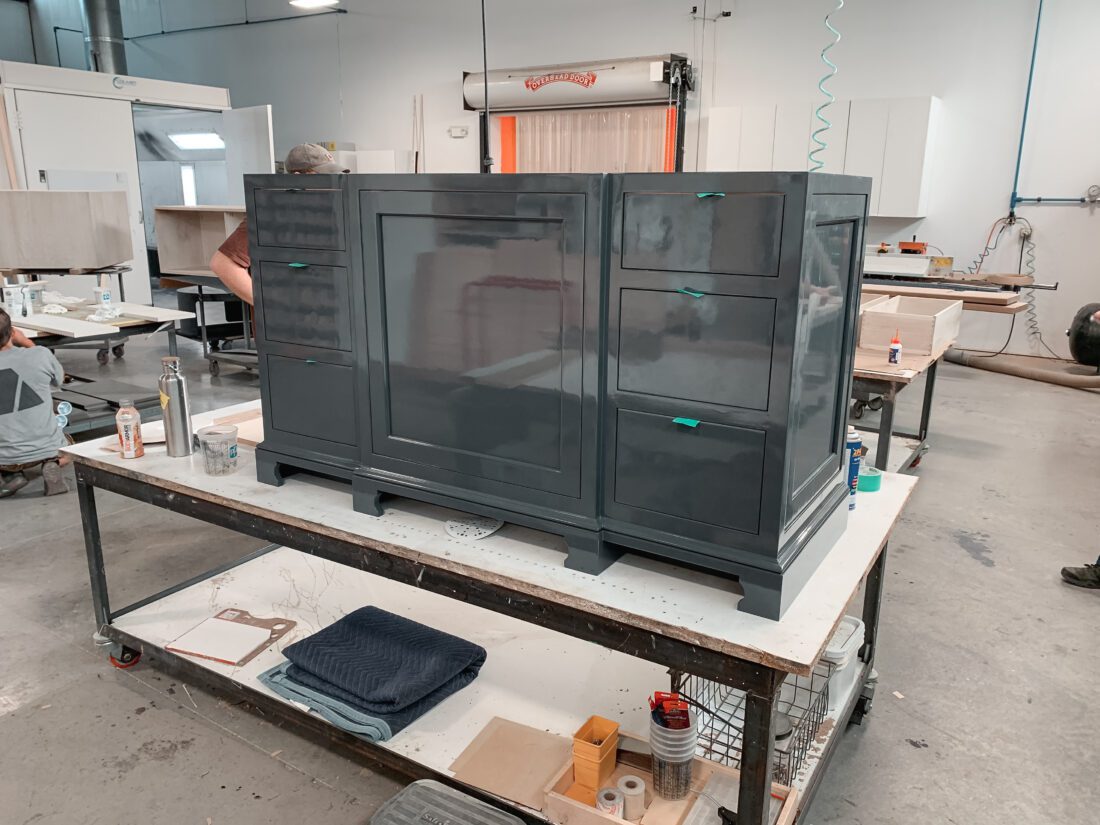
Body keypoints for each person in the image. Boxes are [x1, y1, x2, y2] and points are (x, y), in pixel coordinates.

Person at [209, 143, 350, 305]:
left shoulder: (326, 210)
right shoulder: (269, 213)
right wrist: (269, 306)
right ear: (298, 177)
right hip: (286, 323)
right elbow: (222, 264)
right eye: (324, 176)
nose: (332, 182)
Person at [0, 308, 69, 497]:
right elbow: (60, 379)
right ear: (12, 332)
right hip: (48, 447)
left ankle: (9, 476)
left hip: (4, 457)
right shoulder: (40, 354)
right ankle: (51, 463)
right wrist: (27, 343)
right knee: (69, 443)